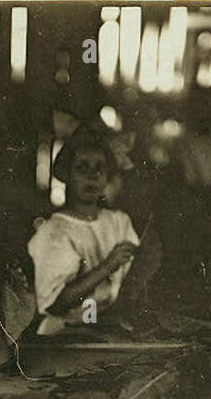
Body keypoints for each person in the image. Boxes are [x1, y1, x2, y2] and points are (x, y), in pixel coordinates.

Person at [27, 126, 159, 336]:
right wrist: (108, 266)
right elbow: (55, 304)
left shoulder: (119, 222)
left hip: (111, 330)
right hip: (65, 336)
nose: (92, 176)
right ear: (68, 176)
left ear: (107, 177)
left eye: (99, 168)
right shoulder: (54, 231)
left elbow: (137, 280)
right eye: (82, 168)